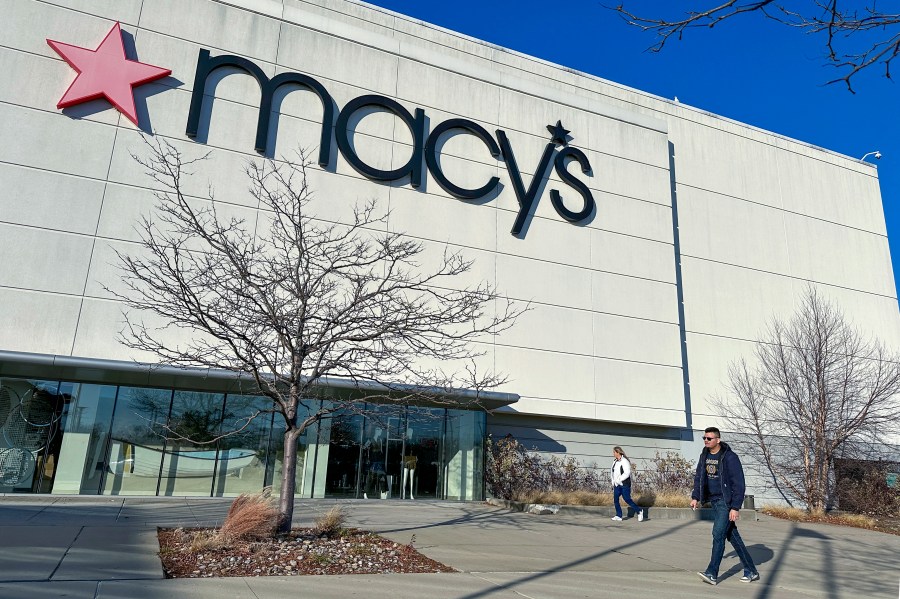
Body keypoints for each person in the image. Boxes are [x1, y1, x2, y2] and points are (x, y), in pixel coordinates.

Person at [691, 427, 760, 585]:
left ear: (718, 440)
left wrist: (735, 507)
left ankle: (712, 573)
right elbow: (699, 477)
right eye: (704, 438)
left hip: (725, 501)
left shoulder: (729, 457)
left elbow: (739, 484)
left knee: (718, 534)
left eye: (709, 438)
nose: (706, 441)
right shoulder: (705, 455)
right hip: (714, 500)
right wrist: (695, 496)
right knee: (733, 537)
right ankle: (751, 570)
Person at [610, 446, 643, 522]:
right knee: (615, 500)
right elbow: (612, 472)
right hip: (617, 485)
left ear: (618, 452)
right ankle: (619, 515)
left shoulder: (624, 461)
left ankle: (639, 511)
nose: (613, 454)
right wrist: (613, 481)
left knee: (627, 499)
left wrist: (619, 480)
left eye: (614, 452)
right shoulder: (615, 461)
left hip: (624, 484)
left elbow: (627, 473)